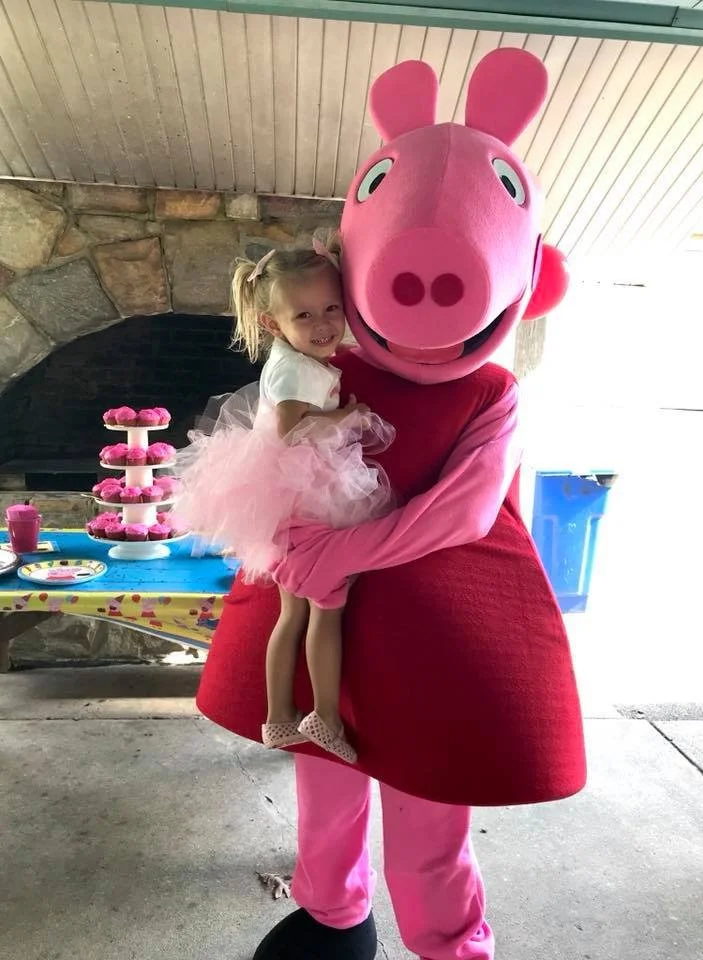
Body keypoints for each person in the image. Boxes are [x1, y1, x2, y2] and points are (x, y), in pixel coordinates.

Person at [195, 49, 587, 960]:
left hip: (437, 634)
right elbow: (276, 445)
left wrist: (340, 555)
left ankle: (449, 942)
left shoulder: (491, 391)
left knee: (428, 812)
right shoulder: (335, 365)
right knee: (323, 782)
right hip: (331, 617)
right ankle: (332, 912)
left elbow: (466, 508)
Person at [176, 243, 395, 767]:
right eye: (304, 315)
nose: (323, 325)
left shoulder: (295, 356)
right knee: (327, 608)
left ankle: (278, 716)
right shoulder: (299, 372)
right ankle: (324, 716)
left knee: (291, 612)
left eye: (331, 309)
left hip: (286, 501)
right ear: (273, 324)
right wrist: (348, 418)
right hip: (306, 504)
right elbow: (294, 431)